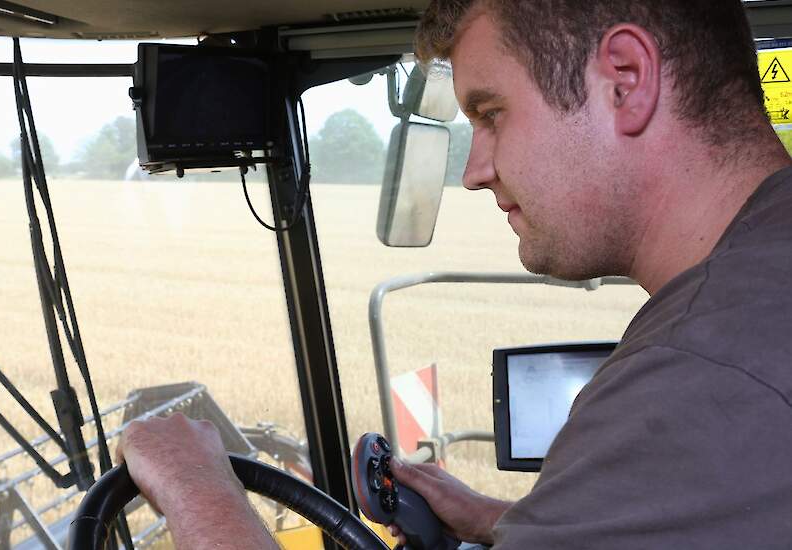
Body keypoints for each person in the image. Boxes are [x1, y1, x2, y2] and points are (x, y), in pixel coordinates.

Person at [118, 0, 792, 547]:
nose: (473, 171)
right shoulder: (757, 290)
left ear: (625, 79)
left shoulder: (700, 372)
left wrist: (198, 491)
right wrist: (513, 522)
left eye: (491, 114)